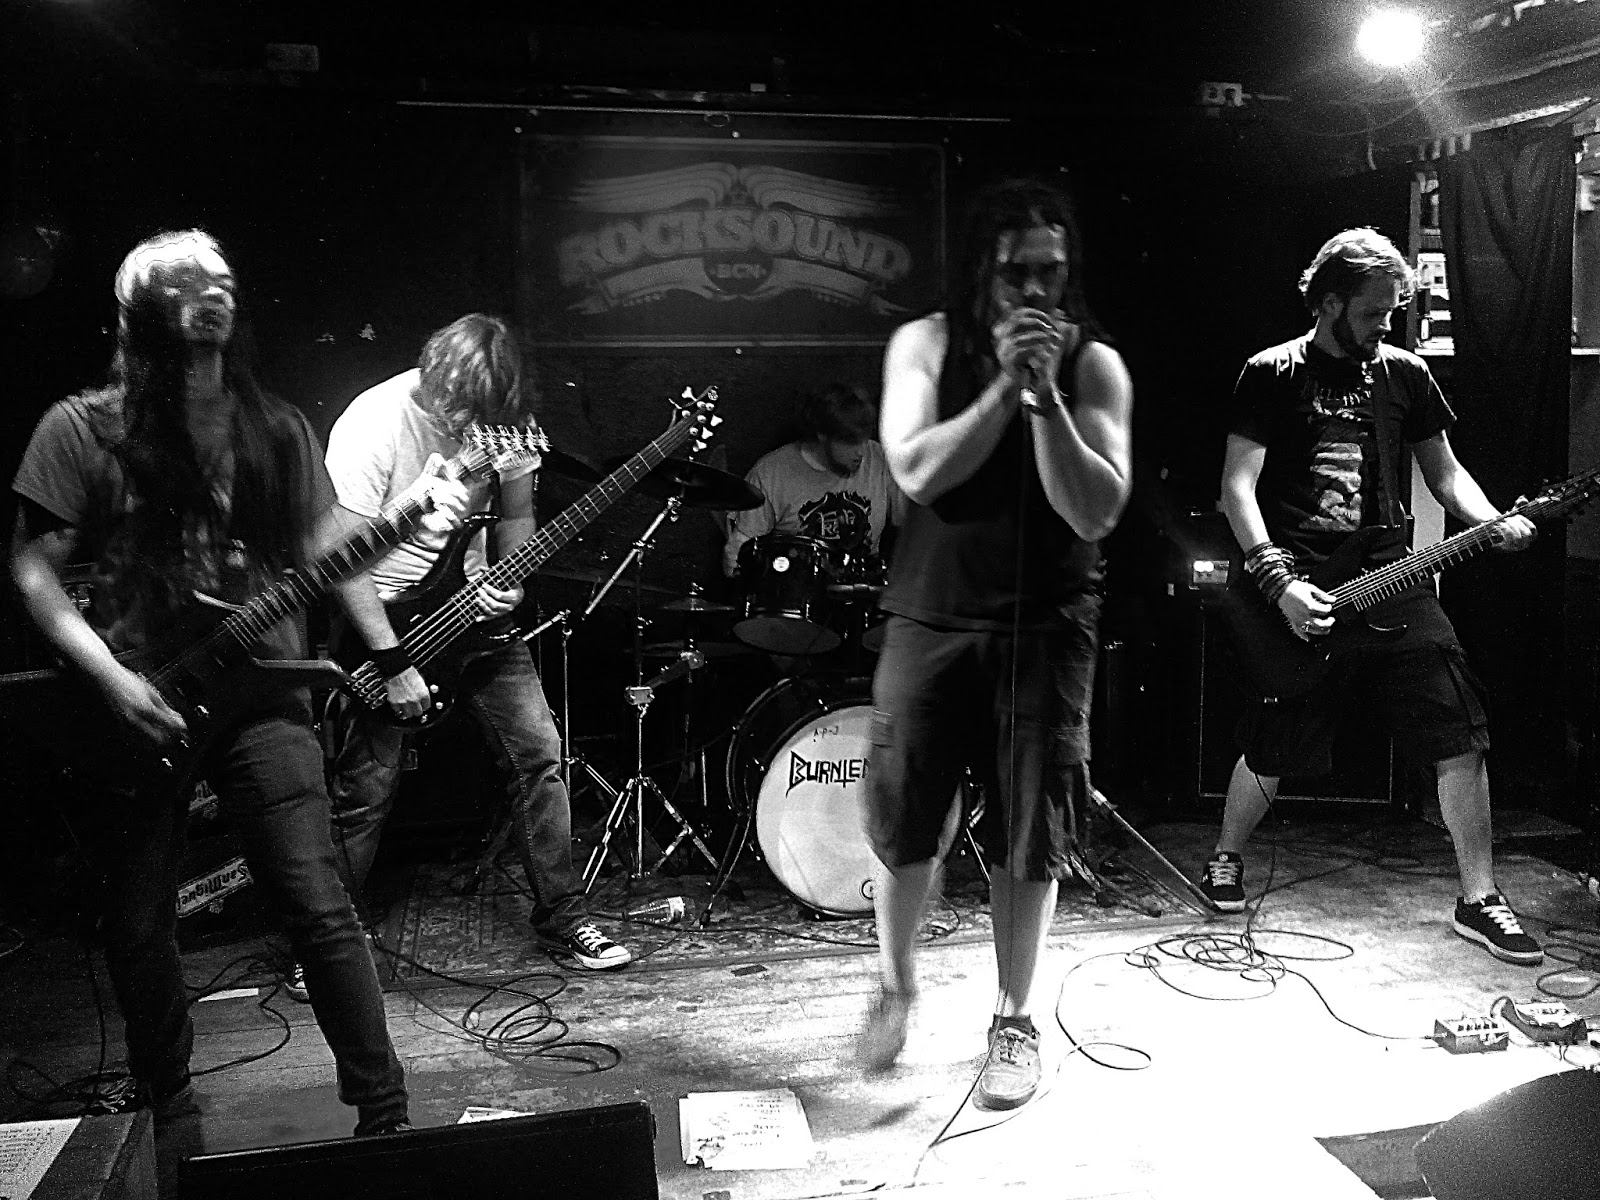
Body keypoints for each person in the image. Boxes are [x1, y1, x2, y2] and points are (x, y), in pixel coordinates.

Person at [9, 230, 412, 1135]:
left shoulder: (275, 426)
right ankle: (168, 1111)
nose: (213, 292)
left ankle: (385, 1115)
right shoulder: (83, 427)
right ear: (138, 312)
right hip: (141, 698)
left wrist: (416, 533)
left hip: (264, 691)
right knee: (139, 920)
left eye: (223, 280)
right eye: (187, 283)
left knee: (319, 904)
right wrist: (111, 681)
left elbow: (327, 548)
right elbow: (33, 569)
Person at [857, 178, 1134, 1110]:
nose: (1037, 289)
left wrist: (1044, 400)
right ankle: (897, 985)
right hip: (931, 616)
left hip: (1047, 626)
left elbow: (1093, 509)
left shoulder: (1095, 367)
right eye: (1019, 272)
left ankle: (1015, 1021)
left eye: (1052, 270)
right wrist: (1001, 392)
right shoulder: (926, 344)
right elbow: (916, 471)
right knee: (906, 820)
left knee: (1032, 830)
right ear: (984, 268)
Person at [1204, 226, 1543, 967]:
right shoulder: (1270, 372)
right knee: (1276, 739)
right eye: (1372, 312)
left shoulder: (1405, 375)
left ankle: (1479, 897)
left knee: (1459, 729)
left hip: (1394, 579)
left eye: (1392, 311)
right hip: (1302, 579)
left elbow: (1444, 474)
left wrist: (1492, 520)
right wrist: (1278, 583)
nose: (1385, 325)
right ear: (1328, 303)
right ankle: (1226, 855)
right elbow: (1238, 487)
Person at [318, 313, 631, 979]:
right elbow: (339, 561)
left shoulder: (507, 422)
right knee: (366, 787)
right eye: (459, 409)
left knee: (540, 756)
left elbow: (516, 515)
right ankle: (325, 943)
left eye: (483, 415)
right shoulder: (373, 421)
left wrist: (509, 581)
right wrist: (391, 662)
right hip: (387, 621)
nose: (469, 425)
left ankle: (563, 915)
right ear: (435, 377)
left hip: (472, 615)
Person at [721, 382, 901, 578]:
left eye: (864, 439)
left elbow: (908, 521)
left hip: (864, 587)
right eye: (851, 442)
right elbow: (737, 555)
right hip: (799, 589)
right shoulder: (770, 474)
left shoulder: (879, 459)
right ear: (822, 435)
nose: (861, 452)